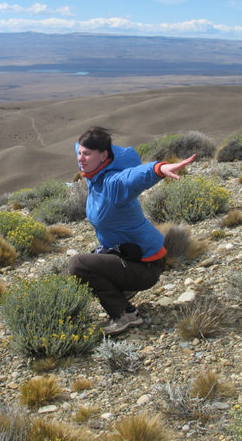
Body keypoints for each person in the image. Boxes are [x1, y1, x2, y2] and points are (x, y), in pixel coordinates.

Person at [66, 126, 197, 335]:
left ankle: (125, 315)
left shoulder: (112, 184)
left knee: (79, 265)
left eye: (87, 154)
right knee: (92, 260)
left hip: (146, 265)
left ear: (104, 155)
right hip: (128, 254)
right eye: (79, 153)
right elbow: (85, 147)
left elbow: (132, 177)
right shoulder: (95, 174)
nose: (81, 158)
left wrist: (158, 169)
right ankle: (124, 290)